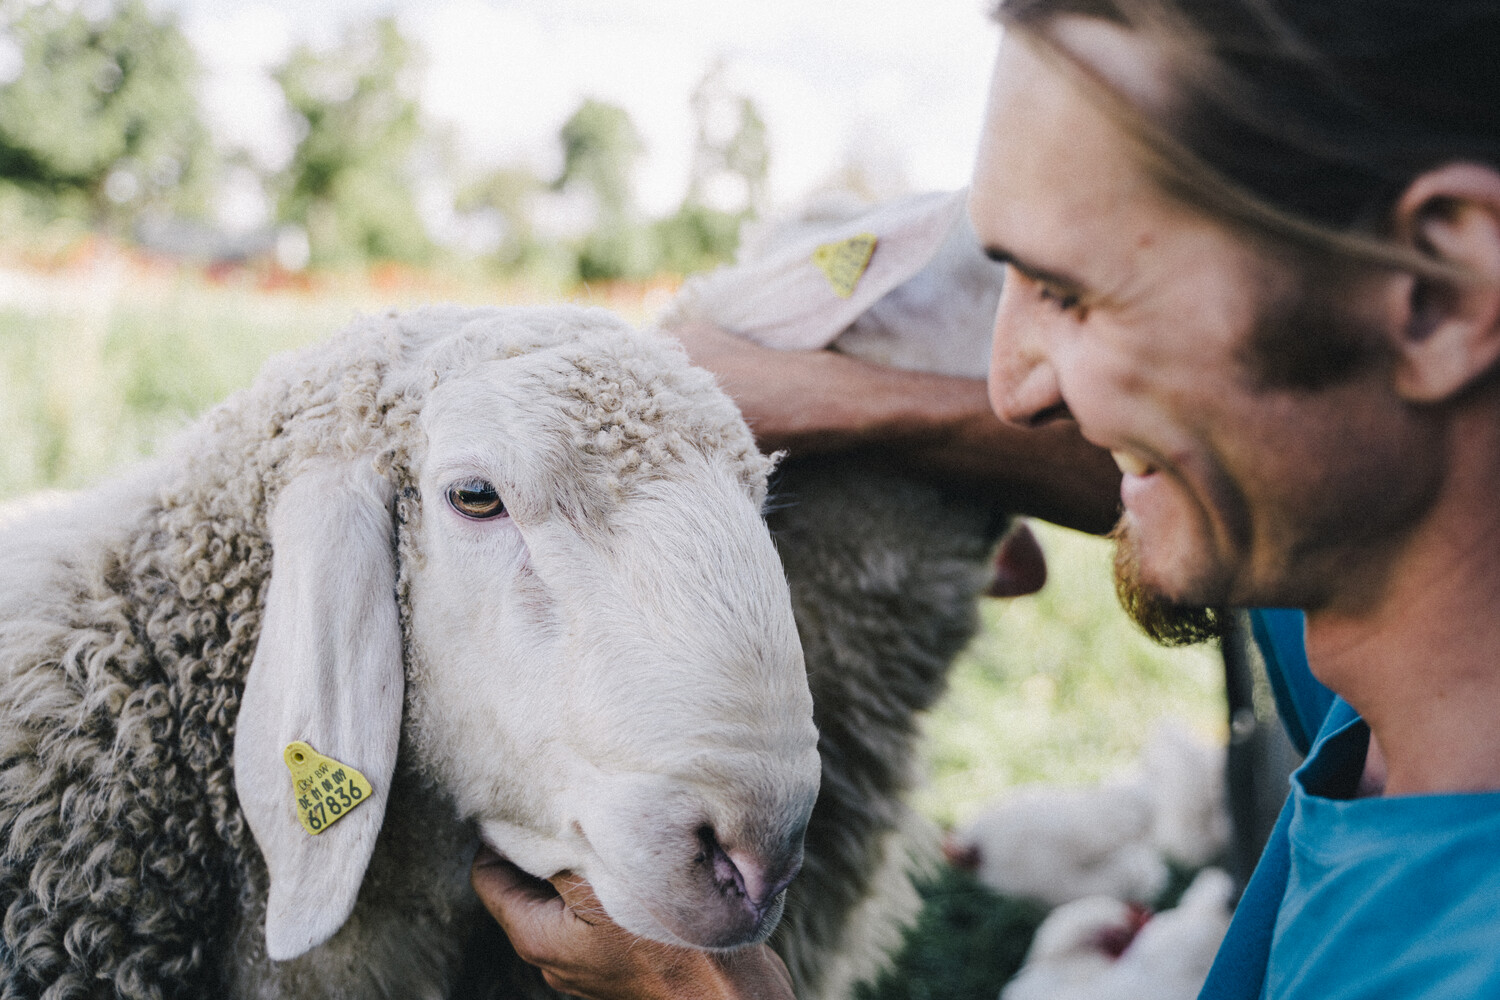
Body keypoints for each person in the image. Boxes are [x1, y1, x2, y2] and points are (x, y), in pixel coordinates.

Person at [475, 0, 1500, 996]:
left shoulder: (1452, 954)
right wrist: (841, 407)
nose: (1011, 390)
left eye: (1071, 293)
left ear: (1440, 297)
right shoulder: (1387, 626)